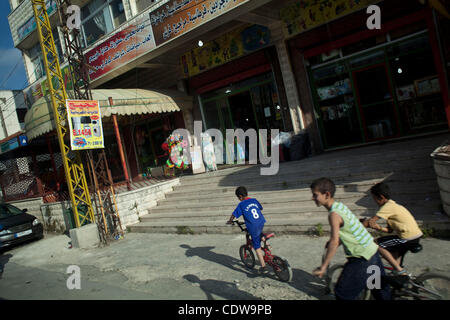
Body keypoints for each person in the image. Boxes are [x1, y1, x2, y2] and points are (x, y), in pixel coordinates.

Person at [310, 177, 391, 300]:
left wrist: (323, 267)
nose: (312, 198)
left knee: (343, 294)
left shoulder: (333, 214)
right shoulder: (340, 206)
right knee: (378, 291)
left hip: (361, 258)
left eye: (315, 195)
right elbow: (350, 230)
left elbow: (334, 240)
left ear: (326, 194)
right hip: (372, 251)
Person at [361, 182, 423, 276]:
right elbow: (389, 230)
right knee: (393, 253)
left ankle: (399, 270)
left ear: (381, 197)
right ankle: (398, 274)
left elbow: (370, 221)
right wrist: (379, 227)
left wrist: (356, 226)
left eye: (374, 199)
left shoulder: (387, 206)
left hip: (407, 238)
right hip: (413, 236)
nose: (375, 201)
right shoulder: (393, 206)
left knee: (376, 244)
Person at [226, 186, 268, 274]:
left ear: (240, 196)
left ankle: (263, 266)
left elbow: (234, 214)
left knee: (257, 247)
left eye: (238, 198)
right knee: (259, 233)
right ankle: (266, 242)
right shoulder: (254, 200)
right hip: (261, 221)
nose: (239, 199)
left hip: (252, 226)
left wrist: (230, 221)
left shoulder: (241, 204)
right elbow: (260, 208)